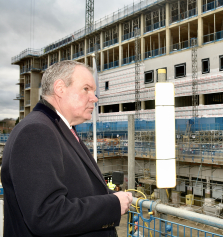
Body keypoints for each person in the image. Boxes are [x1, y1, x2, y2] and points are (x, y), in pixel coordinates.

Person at [2, 60, 133, 236]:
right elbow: (46, 215)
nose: (94, 98)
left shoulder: (58, 128)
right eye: (86, 89)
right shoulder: (36, 132)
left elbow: (76, 188)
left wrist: (110, 196)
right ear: (60, 89)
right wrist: (112, 205)